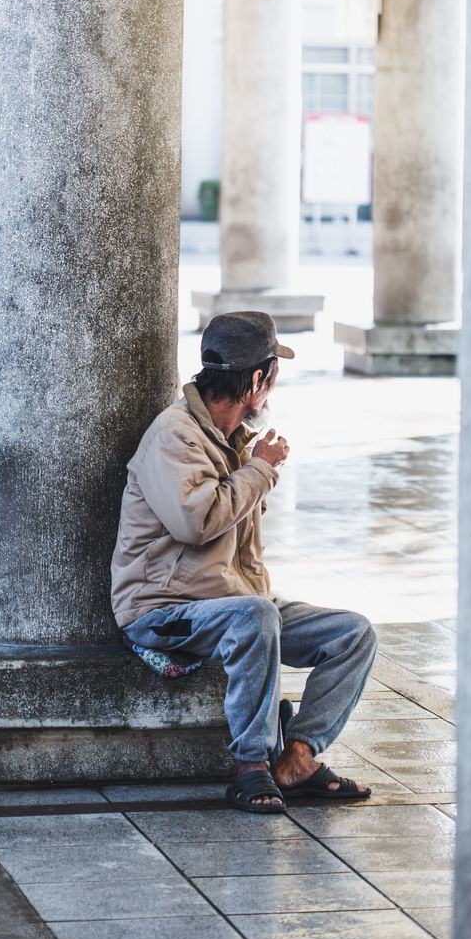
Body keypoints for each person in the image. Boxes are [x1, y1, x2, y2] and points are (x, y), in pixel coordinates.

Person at [111, 311, 378, 814]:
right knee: (256, 616)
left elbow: (241, 554)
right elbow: (197, 522)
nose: (273, 387)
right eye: (273, 375)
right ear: (257, 380)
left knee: (353, 633)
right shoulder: (176, 434)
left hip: (232, 603)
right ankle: (251, 768)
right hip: (164, 608)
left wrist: (252, 465)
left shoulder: (234, 442)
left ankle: (297, 760)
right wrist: (262, 469)